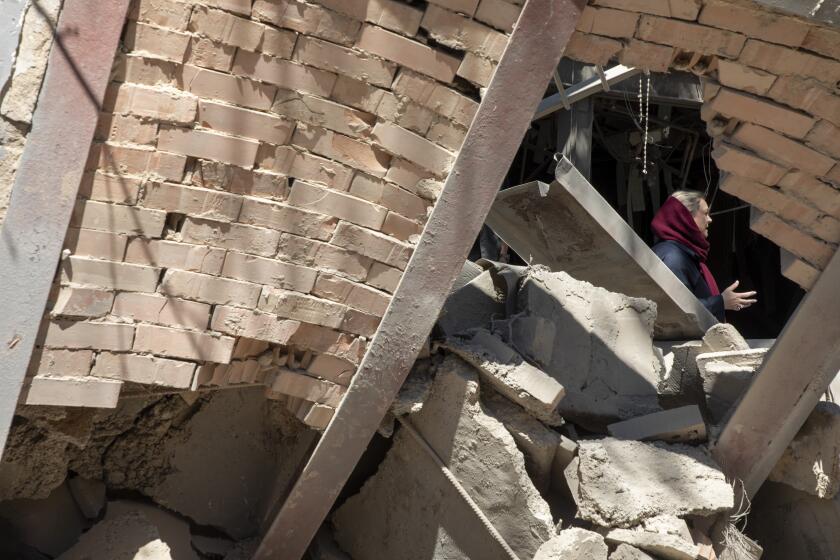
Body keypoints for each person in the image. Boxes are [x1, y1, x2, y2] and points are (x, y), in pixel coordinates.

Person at [651, 190, 757, 322]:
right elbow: (676, 311)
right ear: (687, 218)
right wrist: (720, 302)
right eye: (705, 213)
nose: (710, 219)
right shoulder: (673, 257)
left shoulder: (684, 253)